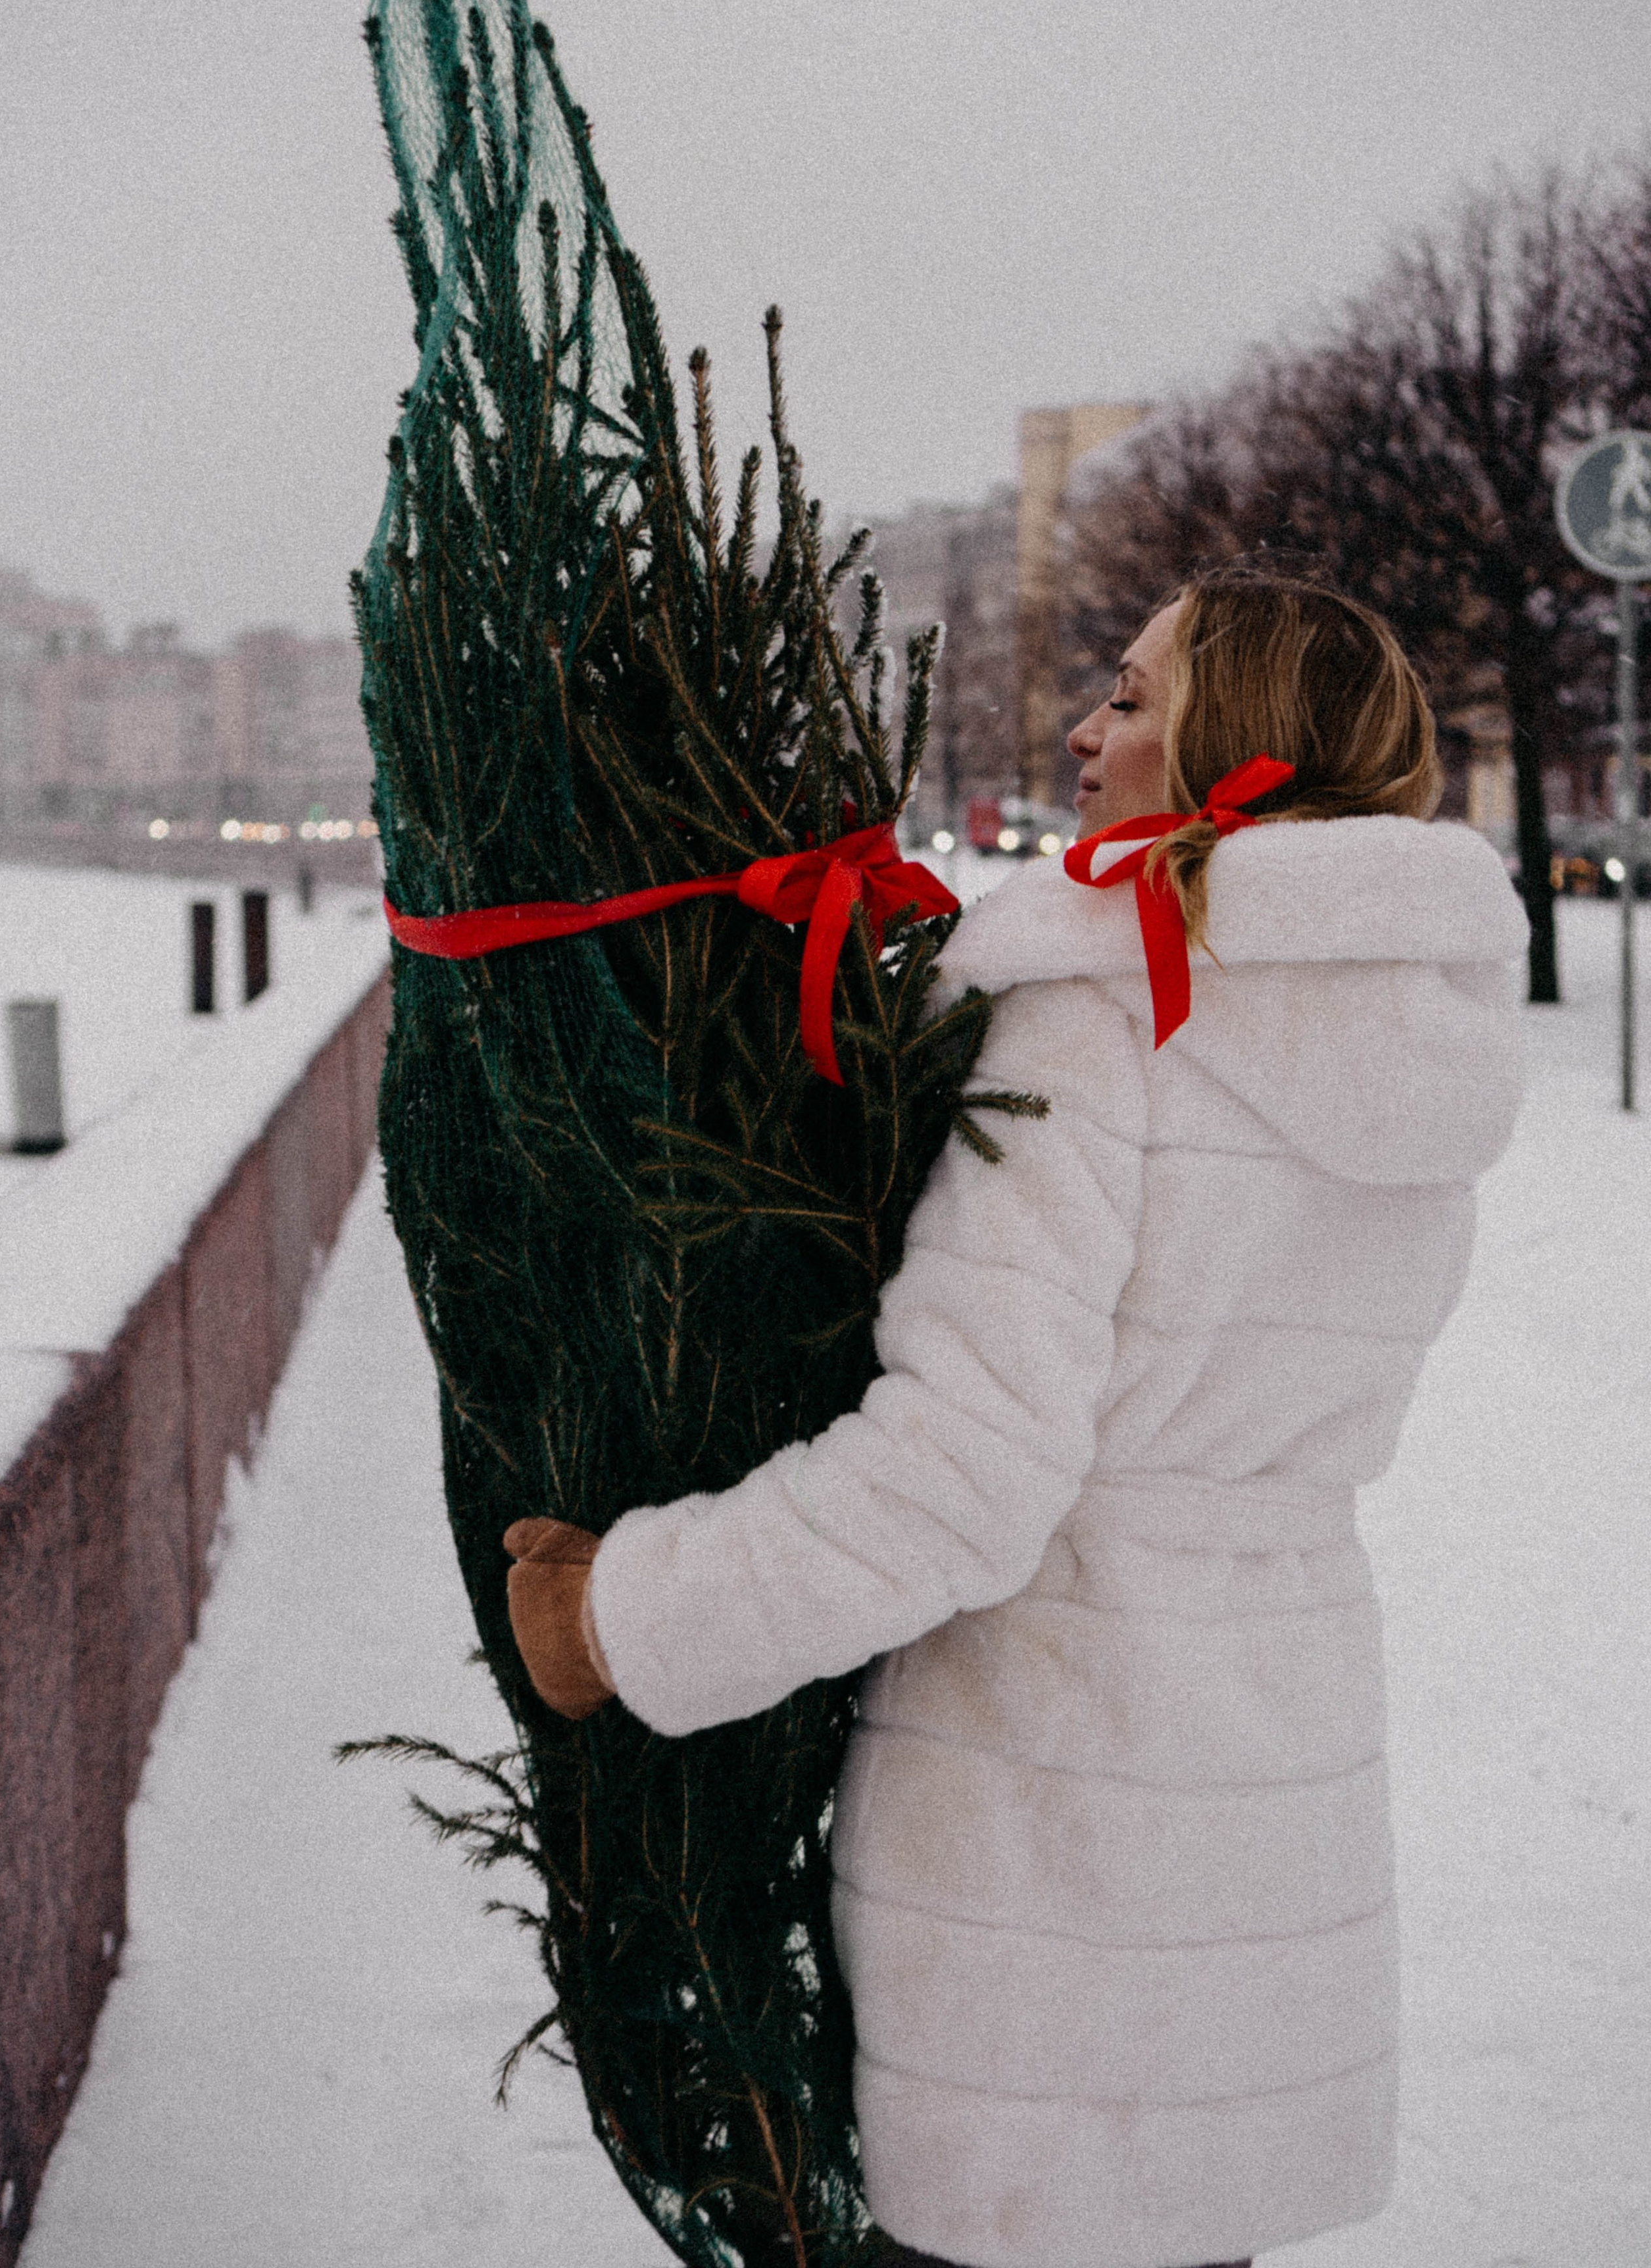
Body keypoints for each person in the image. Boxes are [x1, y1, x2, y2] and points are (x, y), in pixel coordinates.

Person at [503, 559, 1527, 2268]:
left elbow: (966, 1479)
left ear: (1241, 746)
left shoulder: (1106, 1012)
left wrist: (622, 1614)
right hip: (1269, 1788)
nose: (1085, 727)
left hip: (1055, 1852)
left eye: (1135, 698)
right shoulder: (1409, 1056)